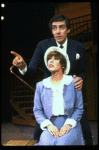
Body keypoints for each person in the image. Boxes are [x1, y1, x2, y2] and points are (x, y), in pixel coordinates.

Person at [10, 15, 92, 145]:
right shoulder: (43, 46)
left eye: (62, 27)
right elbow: (31, 71)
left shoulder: (78, 47)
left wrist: (81, 78)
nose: (58, 31)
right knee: (43, 138)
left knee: (85, 133)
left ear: (68, 30)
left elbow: (83, 71)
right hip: (50, 100)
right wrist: (22, 66)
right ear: (52, 31)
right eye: (54, 28)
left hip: (72, 97)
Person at [33, 46, 85, 145]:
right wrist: (49, 125)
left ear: (63, 65)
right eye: (49, 59)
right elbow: (37, 110)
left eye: (55, 59)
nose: (50, 61)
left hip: (70, 121)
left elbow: (79, 108)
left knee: (62, 143)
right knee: (45, 143)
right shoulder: (41, 85)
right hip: (50, 122)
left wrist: (68, 125)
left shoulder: (73, 82)